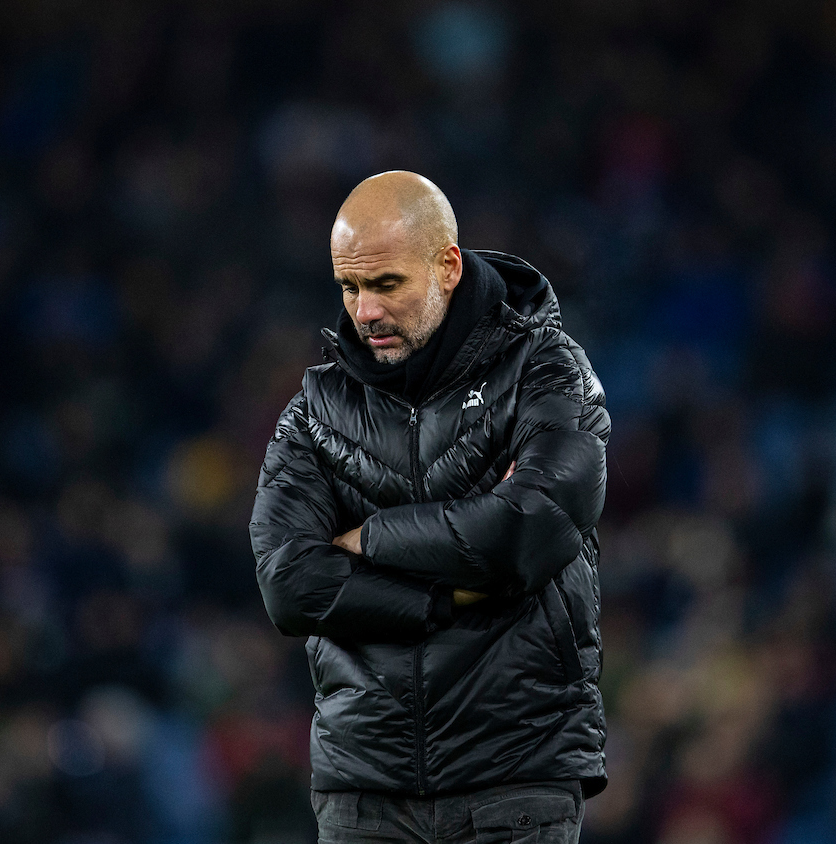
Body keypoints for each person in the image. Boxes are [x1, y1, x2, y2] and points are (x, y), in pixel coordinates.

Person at [250, 171, 610, 843]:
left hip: (513, 778)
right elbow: (289, 586)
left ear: (447, 266)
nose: (364, 312)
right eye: (350, 288)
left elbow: (529, 529)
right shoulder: (315, 411)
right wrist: (446, 598)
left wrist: (369, 538)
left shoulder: (546, 370)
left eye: (387, 285)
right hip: (364, 791)